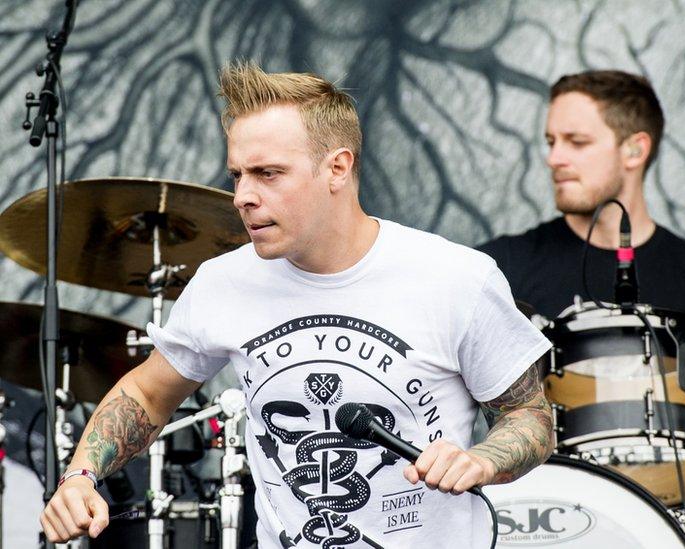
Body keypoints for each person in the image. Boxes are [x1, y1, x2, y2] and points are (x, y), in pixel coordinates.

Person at [40, 61, 553, 548]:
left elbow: (530, 417)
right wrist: (81, 475)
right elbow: (148, 395)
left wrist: (480, 460)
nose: (242, 195)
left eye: (268, 174)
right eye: (237, 174)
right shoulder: (223, 282)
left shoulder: (455, 277)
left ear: (337, 168)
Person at [477, 70, 685, 412]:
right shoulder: (501, 269)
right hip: (544, 467)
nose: (554, 158)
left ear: (635, 150)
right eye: (551, 141)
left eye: (576, 142)